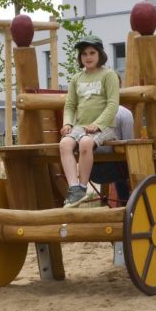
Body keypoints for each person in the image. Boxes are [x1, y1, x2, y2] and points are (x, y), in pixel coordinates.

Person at [59, 35, 120, 207]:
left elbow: (113, 104)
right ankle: (74, 190)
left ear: (100, 54)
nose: (88, 57)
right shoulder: (76, 79)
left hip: (105, 126)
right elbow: (70, 105)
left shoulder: (109, 75)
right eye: (84, 53)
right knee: (64, 144)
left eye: (92, 52)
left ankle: (83, 186)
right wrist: (68, 123)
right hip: (81, 125)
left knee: (86, 142)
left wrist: (98, 124)